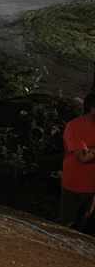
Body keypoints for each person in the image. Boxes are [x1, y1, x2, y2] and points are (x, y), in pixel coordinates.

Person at [60, 93, 95, 231]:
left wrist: (90, 149)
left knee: (83, 229)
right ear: (93, 109)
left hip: (92, 188)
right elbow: (83, 157)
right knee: (65, 224)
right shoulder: (74, 127)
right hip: (73, 185)